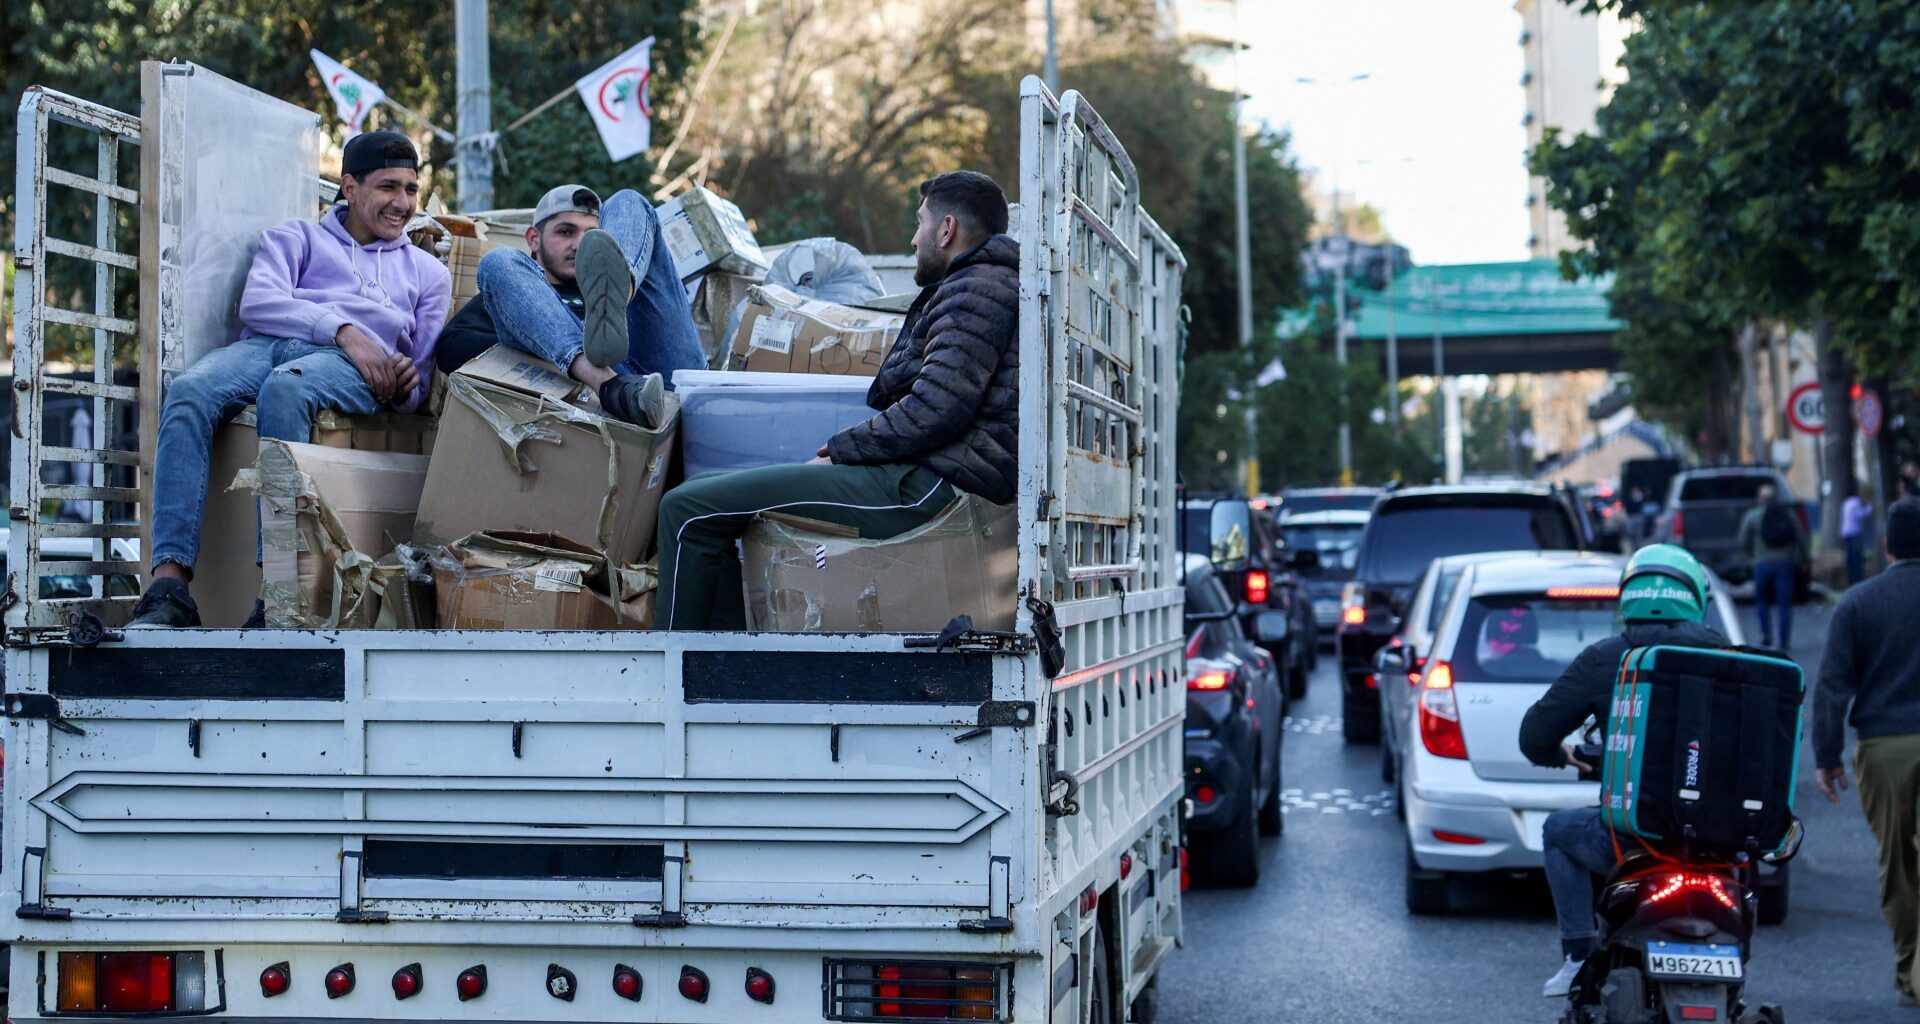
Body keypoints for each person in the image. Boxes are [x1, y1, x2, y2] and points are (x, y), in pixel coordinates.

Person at [652, 170, 1018, 630]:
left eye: (920, 223)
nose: (912, 238)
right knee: (711, 506)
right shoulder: (983, 286)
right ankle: (722, 671)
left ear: (946, 231)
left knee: (686, 509)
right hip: (932, 475)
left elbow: (936, 409)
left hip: (930, 487)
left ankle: (672, 680)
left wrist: (838, 452)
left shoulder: (976, 289)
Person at [130, 131, 451, 628]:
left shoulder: (429, 272)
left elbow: (417, 381)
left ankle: (276, 594)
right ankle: (170, 588)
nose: (403, 203)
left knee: (287, 386)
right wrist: (343, 329)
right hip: (272, 344)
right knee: (190, 391)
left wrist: (405, 382)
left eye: (411, 189)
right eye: (389, 187)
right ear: (349, 186)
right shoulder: (295, 237)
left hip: (352, 370)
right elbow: (259, 302)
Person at [1518, 545, 1728, 998]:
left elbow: (1534, 736)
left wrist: (1564, 754)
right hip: (1723, 840)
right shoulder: (1734, 659)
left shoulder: (1605, 658)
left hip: (1634, 839)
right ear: (1695, 596)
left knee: (1558, 830)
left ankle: (1578, 957)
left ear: (1627, 597)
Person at [436, 183, 705, 426]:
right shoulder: (515, 292)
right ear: (533, 239)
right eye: (566, 232)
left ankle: (618, 291)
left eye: (591, 234)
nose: (579, 244)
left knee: (628, 200)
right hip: (609, 391)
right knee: (497, 261)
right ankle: (609, 383)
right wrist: (541, 340)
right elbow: (451, 350)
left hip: (667, 379)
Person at [1813, 497, 1920, 1008]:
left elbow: (1832, 687)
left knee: (1898, 864)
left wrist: (1828, 756)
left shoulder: (1857, 603)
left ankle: (1909, 973)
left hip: (1884, 751)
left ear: (1886, 546)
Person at [1736, 483, 1806, 649]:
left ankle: (1766, 635)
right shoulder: (1788, 514)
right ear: (1777, 498)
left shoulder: (1753, 516)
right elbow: (1801, 538)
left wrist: (1751, 558)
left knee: (1762, 601)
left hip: (1761, 565)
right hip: (1784, 564)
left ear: (1759, 499)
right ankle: (1784, 639)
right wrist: (1802, 560)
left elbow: (1742, 540)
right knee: (1784, 603)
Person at [1841, 488, 1873, 586]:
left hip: (1846, 532)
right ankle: (1856, 578)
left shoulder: (1845, 503)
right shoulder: (1856, 502)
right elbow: (1860, 515)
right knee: (1856, 557)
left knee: (1850, 557)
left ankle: (1850, 579)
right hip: (1855, 532)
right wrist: (1869, 508)